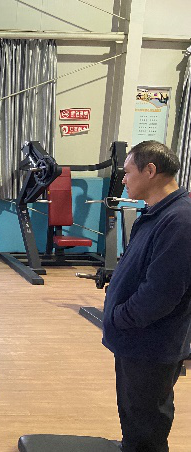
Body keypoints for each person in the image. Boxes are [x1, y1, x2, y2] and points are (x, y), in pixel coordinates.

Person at [102, 140, 191, 452]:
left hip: (150, 344)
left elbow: (161, 294)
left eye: (128, 172)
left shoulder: (180, 221)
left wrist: (119, 317)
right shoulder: (158, 213)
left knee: (146, 429)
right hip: (136, 340)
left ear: (150, 170)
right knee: (135, 421)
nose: (124, 179)